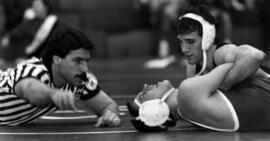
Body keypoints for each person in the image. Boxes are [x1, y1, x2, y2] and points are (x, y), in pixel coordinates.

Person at [126, 5, 270, 132]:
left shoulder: (217, 55)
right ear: (154, 109)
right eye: (181, 42)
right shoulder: (190, 85)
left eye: (190, 42)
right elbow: (255, 55)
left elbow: (254, 55)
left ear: (207, 39)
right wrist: (225, 83)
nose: (184, 49)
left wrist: (224, 84)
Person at [0, 26, 121, 127]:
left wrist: (109, 114)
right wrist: (53, 94)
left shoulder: (79, 81)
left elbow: (108, 105)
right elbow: (29, 89)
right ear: (57, 59)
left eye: (85, 61)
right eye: (78, 61)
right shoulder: (33, 70)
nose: (84, 68)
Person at [127, 62, 270, 132]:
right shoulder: (187, 92)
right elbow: (236, 63)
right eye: (144, 94)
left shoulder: (189, 113)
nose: (145, 85)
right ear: (155, 109)